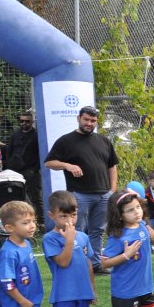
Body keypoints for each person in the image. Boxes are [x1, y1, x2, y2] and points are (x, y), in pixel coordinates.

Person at [44, 105, 119, 274]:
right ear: (79, 118)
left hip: (104, 194)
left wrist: (112, 191)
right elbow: (49, 163)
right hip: (79, 194)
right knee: (75, 230)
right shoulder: (65, 141)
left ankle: (95, 264)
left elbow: (112, 166)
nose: (89, 123)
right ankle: (75, 264)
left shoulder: (103, 141)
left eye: (93, 120)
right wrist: (67, 165)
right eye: (86, 119)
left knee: (97, 231)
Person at [42, 191, 99, 307]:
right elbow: (63, 262)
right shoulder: (50, 239)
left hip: (82, 292)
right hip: (64, 295)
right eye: (63, 216)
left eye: (73, 215)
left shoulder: (82, 237)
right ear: (52, 216)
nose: (69, 220)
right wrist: (69, 240)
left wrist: (92, 289)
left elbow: (88, 264)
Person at [2, 108, 43, 221]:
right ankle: (19, 220)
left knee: (35, 197)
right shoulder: (15, 134)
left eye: (27, 121)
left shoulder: (36, 135)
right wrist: (9, 166)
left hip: (31, 170)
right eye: (22, 121)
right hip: (15, 170)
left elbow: (40, 153)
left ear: (32, 122)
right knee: (15, 196)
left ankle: (41, 221)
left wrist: (35, 169)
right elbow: (9, 151)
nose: (24, 123)